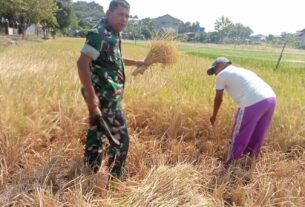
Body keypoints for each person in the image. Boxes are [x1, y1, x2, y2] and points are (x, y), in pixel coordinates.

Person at [77, 0, 144, 177]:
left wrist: (138, 62)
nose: (124, 19)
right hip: (103, 96)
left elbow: (115, 59)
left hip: (104, 93)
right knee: (121, 139)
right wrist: (92, 96)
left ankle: (91, 168)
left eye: (127, 16)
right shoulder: (99, 34)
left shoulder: (113, 33)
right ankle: (116, 178)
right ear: (108, 13)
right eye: (120, 14)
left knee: (97, 130)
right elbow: (82, 63)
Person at [207, 57, 276, 168]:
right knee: (258, 133)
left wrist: (214, 115)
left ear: (222, 64)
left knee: (240, 133)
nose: (215, 73)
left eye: (214, 70)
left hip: (252, 102)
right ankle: (250, 162)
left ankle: (230, 164)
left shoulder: (222, 74)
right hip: (271, 99)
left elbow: (218, 99)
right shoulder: (244, 71)